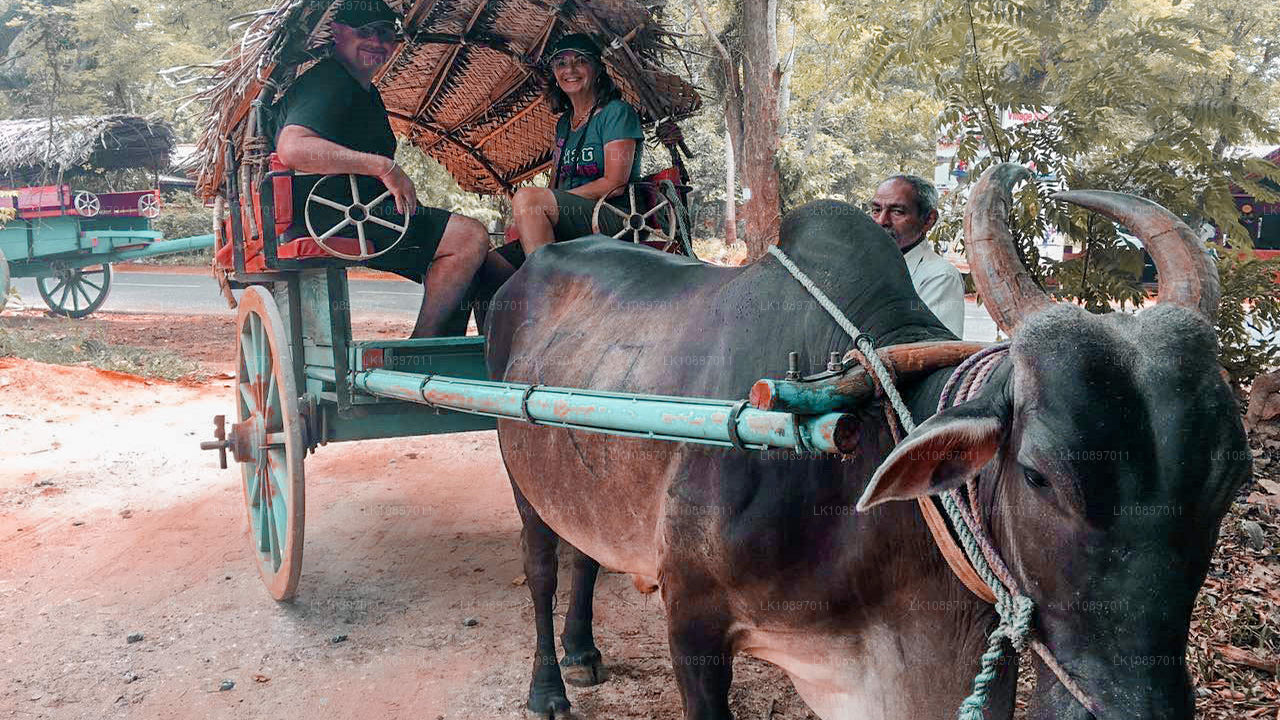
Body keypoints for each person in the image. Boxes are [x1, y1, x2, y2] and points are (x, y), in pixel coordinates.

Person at [273, 0, 489, 338]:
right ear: (337, 32)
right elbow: (292, 148)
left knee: (487, 263)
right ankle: (423, 347)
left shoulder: (364, 90)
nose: (376, 41)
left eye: (385, 34)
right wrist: (383, 167)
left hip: (364, 212)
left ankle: (454, 352)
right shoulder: (329, 81)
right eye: (365, 32)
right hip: (334, 217)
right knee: (468, 237)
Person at [508, 33, 646, 255]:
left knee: (527, 198)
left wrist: (539, 203)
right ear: (555, 73)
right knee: (492, 263)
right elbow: (555, 184)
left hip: (615, 216)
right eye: (561, 63)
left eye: (581, 61)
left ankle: (547, 278)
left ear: (598, 69)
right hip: (570, 216)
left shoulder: (616, 113)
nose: (570, 70)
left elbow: (615, 184)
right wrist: (530, 215)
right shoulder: (564, 123)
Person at [869, 175, 966, 337]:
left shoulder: (940, 276)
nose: (881, 221)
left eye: (897, 212)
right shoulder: (864, 266)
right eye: (876, 210)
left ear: (928, 220)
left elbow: (937, 347)